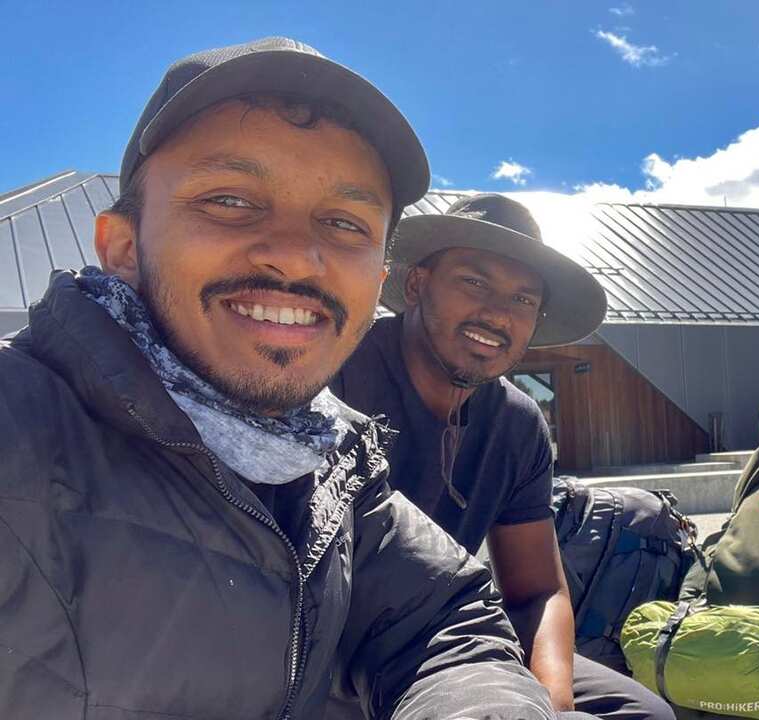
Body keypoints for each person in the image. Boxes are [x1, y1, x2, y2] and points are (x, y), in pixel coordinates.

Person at [0, 37, 590, 720]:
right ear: (123, 247)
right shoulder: (21, 423)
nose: (296, 257)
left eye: (342, 222)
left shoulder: (330, 459)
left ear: (375, 276)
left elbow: (444, 623)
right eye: (229, 199)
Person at [330, 194, 675, 720]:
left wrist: (553, 705)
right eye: (474, 282)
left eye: (522, 299)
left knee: (639, 713)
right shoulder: (336, 376)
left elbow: (539, 590)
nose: (496, 314)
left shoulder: (516, 422)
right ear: (417, 284)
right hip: (327, 647)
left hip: (450, 630)